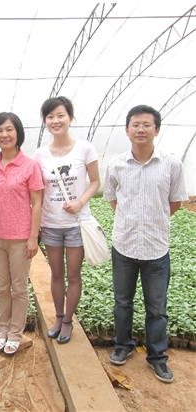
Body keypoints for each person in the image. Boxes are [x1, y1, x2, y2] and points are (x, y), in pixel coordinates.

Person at [104, 105, 187, 383]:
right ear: (127, 130)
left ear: (157, 130)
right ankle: (123, 345)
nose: (140, 129)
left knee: (157, 309)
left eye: (146, 125)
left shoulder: (172, 165)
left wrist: (153, 221)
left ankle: (157, 357)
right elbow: (112, 198)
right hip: (124, 246)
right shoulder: (116, 165)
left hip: (156, 249)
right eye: (135, 124)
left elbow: (175, 202)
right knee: (122, 302)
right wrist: (131, 220)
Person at [34, 96, 100, 344]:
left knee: (73, 275)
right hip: (51, 223)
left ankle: (69, 320)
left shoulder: (85, 149)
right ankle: (58, 317)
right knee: (56, 274)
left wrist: (80, 202)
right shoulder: (40, 154)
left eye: (60, 115)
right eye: (50, 117)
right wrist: (36, 224)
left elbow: (95, 181)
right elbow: (39, 191)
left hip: (76, 224)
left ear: (70, 118)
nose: (55, 121)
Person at [0, 112, 43, 355]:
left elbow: (37, 203)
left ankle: (15, 333)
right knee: (2, 287)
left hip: (20, 238)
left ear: (18, 133)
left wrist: (33, 237)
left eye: (9, 129)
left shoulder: (30, 166)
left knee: (19, 287)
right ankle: (2, 330)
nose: (4, 135)